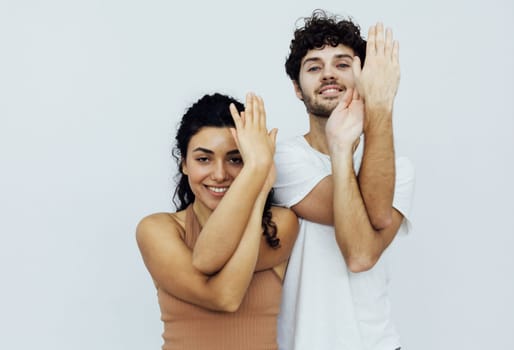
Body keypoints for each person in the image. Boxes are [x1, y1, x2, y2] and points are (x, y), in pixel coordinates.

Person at [274, 10, 416, 350]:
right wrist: (341, 151)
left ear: (365, 76)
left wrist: (381, 106)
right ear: (297, 87)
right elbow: (360, 252)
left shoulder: (401, 169)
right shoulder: (282, 159)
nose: (328, 74)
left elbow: (372, 229)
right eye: (313, 67)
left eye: (342, 64)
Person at [136, 93, 298, 350]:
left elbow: (212, 261)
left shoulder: (280, 224)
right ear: (184, 165)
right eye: (203, 159)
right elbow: (223, 296)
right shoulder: (157, 230)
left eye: (236, 159)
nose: (220, 174)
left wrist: (257, 198)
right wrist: (256, 176)